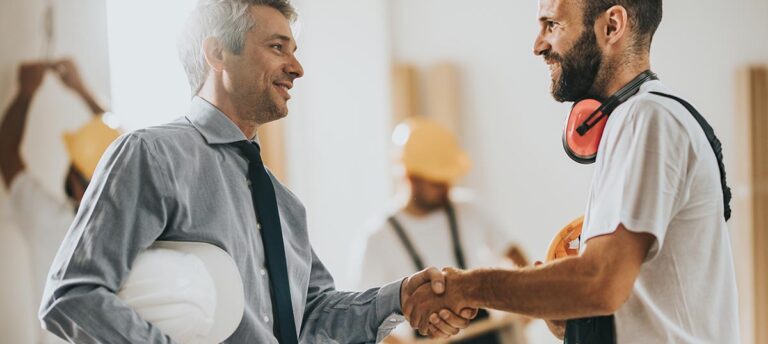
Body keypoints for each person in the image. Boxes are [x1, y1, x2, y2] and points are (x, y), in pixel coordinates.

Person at [39, 1, 473, 343]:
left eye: (294, 50)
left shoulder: (283, 203)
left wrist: (398, 297)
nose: (297, 68)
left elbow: (311, 316)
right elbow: (73, 295)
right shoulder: (153, 156)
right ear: (217, 53)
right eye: (277, 47)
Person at [401, 1, 740, 343]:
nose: (538, 45)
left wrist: (468, 287)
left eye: (552, 25)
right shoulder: (633, 119)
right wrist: (570, 314)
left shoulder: (648, 118)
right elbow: (622, 298)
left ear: (612, 26)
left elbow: (601, 283)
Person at [358, 117, 528, 343]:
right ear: (410, 177)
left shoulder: (469, 210)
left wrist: (518, 313)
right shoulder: (378, 238)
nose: (446, 187)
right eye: (437, 182)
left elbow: (516, 259)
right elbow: (368, 319)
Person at [0, 59, 117, 344]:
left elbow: (7, 154)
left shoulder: (54, 225)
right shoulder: (138, 225)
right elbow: (126, 154)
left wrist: (26, 91)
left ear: (76, 185)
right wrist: (83, 90)